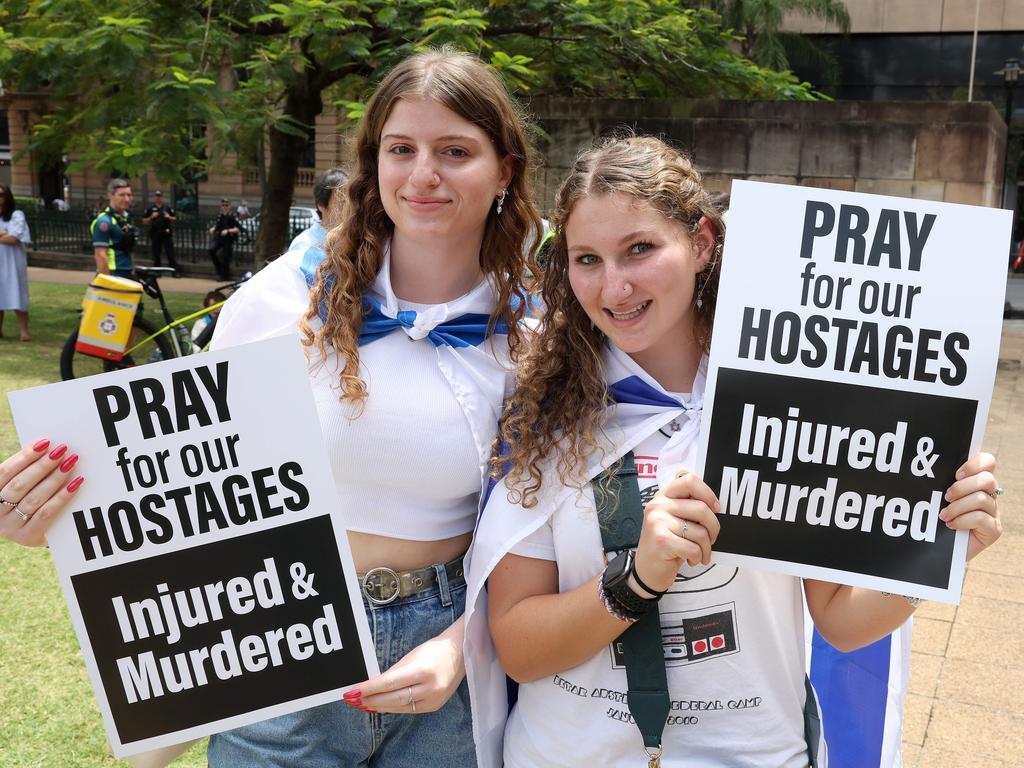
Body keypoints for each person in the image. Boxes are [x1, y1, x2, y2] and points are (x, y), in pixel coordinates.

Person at [0, 48, 542, 767]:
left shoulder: (537, 337)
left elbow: (543, 538)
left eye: (455, 151)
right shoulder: (286, 299)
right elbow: (189, 477)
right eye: (401, 148)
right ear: (371, 162)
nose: (423, 174)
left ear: (505, 169)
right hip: (280, 644)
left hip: (446, 675)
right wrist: (64, 514)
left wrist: (461, 645)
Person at [464, 136, 1004, 767]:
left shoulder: (793, 398)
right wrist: (637, 579)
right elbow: (519, 646)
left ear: (701, 244)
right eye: (587, 259)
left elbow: (840, 621)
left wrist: (940, 551)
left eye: (640, 249)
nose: (614, 286)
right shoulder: (547, 408)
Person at [0, 184, 32, 341]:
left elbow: (13, 238)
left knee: (17, 292)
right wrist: (3, 236)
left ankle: (24, 331)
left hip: (13, 260)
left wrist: (6, 236)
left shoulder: (16, 215)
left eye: (1, 195)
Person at [289, 167, 348, 252]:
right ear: (321, 205)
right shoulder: (304, 246)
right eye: (341, 203)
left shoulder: (353, 242)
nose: (348, 209)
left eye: (350, 202)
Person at [91, 179, 136, 278]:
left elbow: (128, 249)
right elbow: (100, 255)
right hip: (113, 274)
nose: (127, 199)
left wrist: (133, 272)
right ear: (111, 195)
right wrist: (108, 283)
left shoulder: (126, 218)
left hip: (127, 274)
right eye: (122, 195)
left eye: (129, 195)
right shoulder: (104, 222)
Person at [142, 190, 179, 271]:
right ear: (154, 197)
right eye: (157, 196)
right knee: (156, 253)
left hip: (166, 232)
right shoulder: (150, 208)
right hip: (155, 232)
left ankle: (174, 269)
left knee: (170, 252)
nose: (158, 198)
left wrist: (169, 217)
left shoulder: (167, 207)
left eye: (160, 196)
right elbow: (144, 221)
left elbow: (175, 218)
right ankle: (157, 270)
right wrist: (151, 217)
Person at [208, 199, 241, 280]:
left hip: (228, 239)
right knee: (211, 250)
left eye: (226, 205)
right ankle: (219, 269)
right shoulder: (220, 216)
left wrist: (228, 230)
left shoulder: (233, 216)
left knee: (226, 257)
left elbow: (238, 229)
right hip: (219, 238)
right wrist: (213, 229)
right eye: (223, 205)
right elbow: (218, 225)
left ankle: (224, 276)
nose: (225, 207)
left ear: (229, 206)